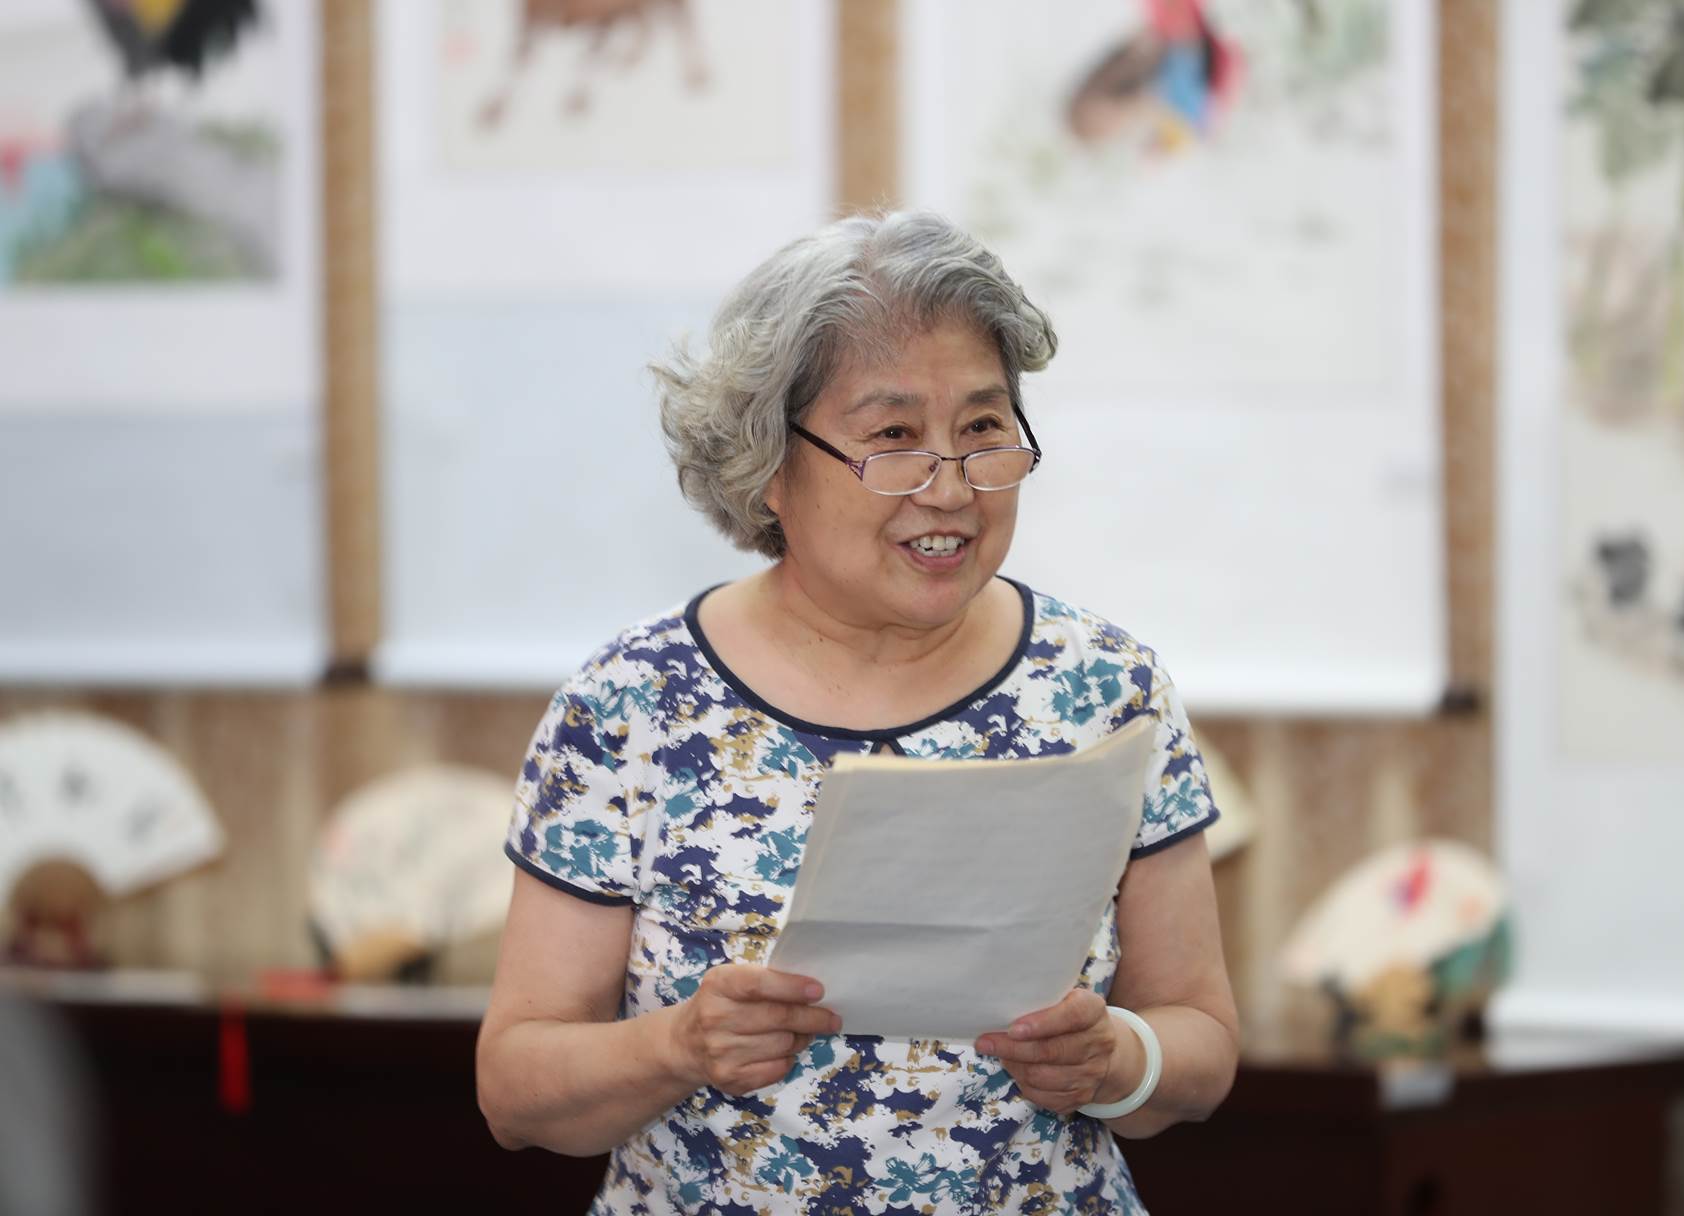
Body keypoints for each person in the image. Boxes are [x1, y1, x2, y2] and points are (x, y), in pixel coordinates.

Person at [476, 210, 1240, 1214]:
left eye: (983, 430)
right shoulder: (632, 704)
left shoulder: (1106, 687)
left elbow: (1201, 1042)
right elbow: (517, 1094)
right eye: (892, 439)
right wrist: (678, 1045)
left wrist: (1117, 1058)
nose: (952, 489)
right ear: (767, 466)